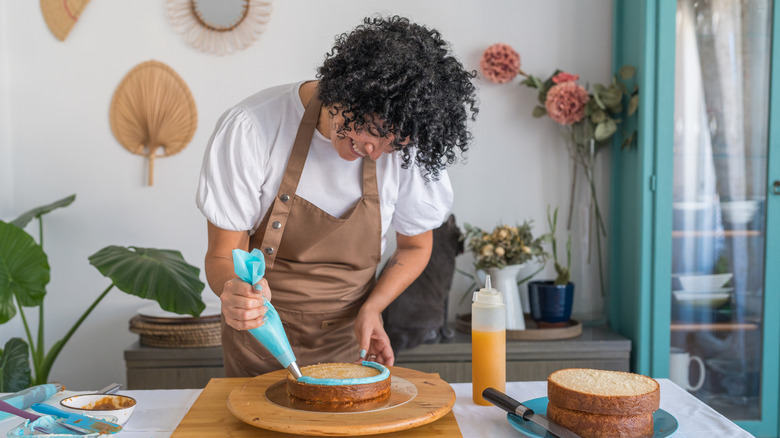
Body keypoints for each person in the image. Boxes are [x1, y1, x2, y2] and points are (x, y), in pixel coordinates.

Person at [196, 15, 478, 377]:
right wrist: (232, 292)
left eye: (394, 146)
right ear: (351, 91)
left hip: (348, 346)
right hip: (259, 341)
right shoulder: (253, 128)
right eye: (376, 131)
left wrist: (374, 307)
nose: (376, 153)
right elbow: (222, 254)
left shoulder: (399, 155)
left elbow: (415, 247)